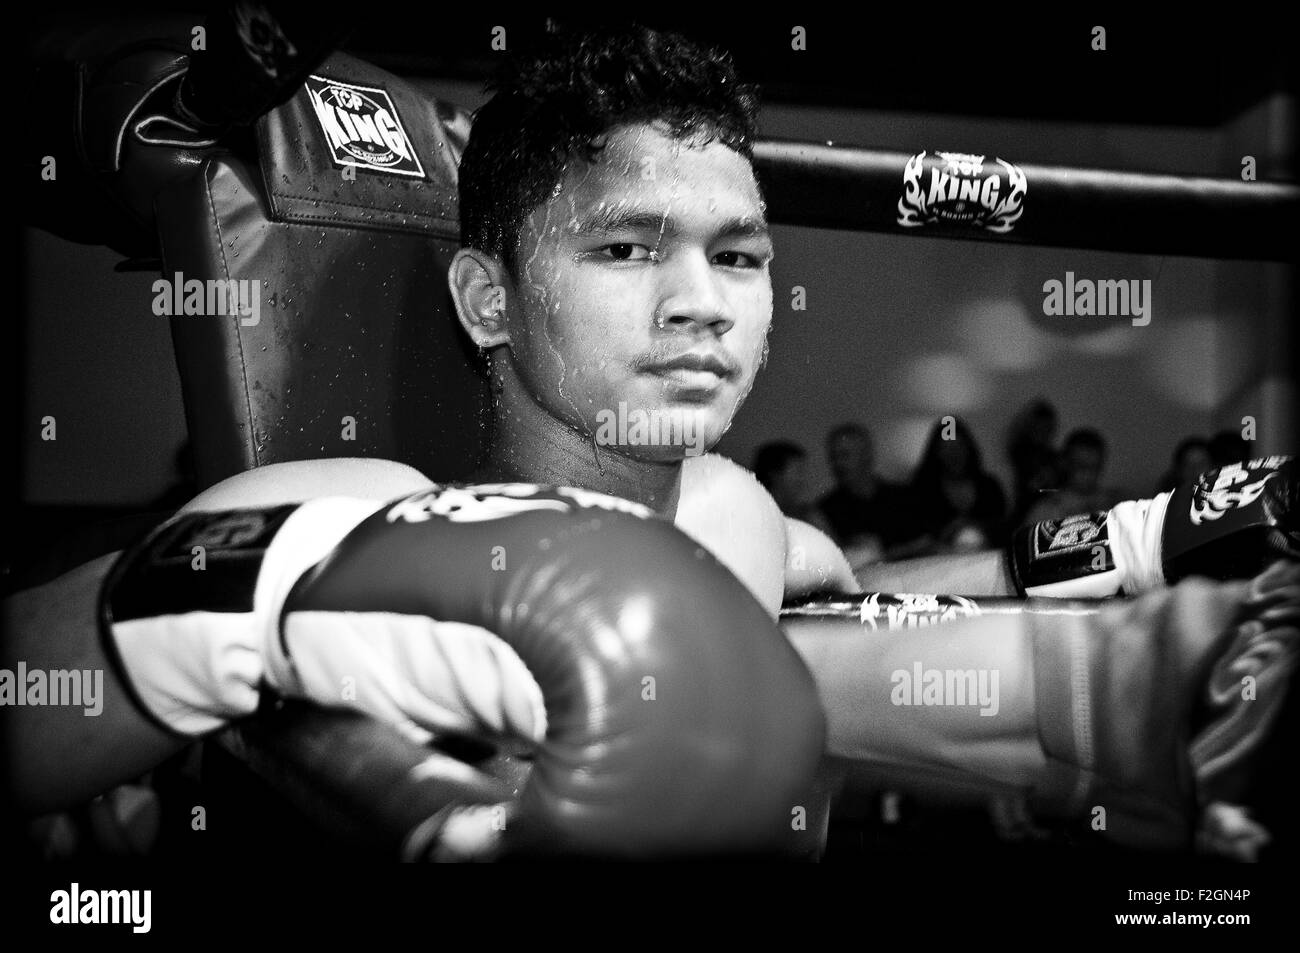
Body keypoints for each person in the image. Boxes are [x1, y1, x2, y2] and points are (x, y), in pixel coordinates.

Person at [4, 24, 1296, 858]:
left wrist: (1144, 543)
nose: (702, 304)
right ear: (487, 301)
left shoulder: (735, 515)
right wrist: (261, 594)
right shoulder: (355, 500)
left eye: (738, 256)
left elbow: (860, 603)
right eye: (626, 248)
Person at [817, 423, 929, 566]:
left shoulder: (903, 498)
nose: (838, 463)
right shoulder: (825, 510)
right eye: (833, 457)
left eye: (845, 455)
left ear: (866, 455)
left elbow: (926, 543)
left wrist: (884, 554)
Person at [908, 417, 1006, 553]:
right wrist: (946, 532)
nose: (954, 454)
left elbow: (1003, 526)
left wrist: (973, 525)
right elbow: (917, 535)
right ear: (936, 452)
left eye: (959, 446)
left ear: (968, 448)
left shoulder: (988, 487)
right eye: (947, 448)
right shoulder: (923, 490)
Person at [1023, 427, 1123, 524]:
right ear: (1066, 464)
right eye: (1081, 466)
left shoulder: (1115, 505)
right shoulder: (1045, 510)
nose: (1088, 474)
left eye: (1094, 467)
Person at [752, 441, 831, 531]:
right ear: (775, 474)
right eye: (798, 471)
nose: (803, 479)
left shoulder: (809, 517)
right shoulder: (755, 513)